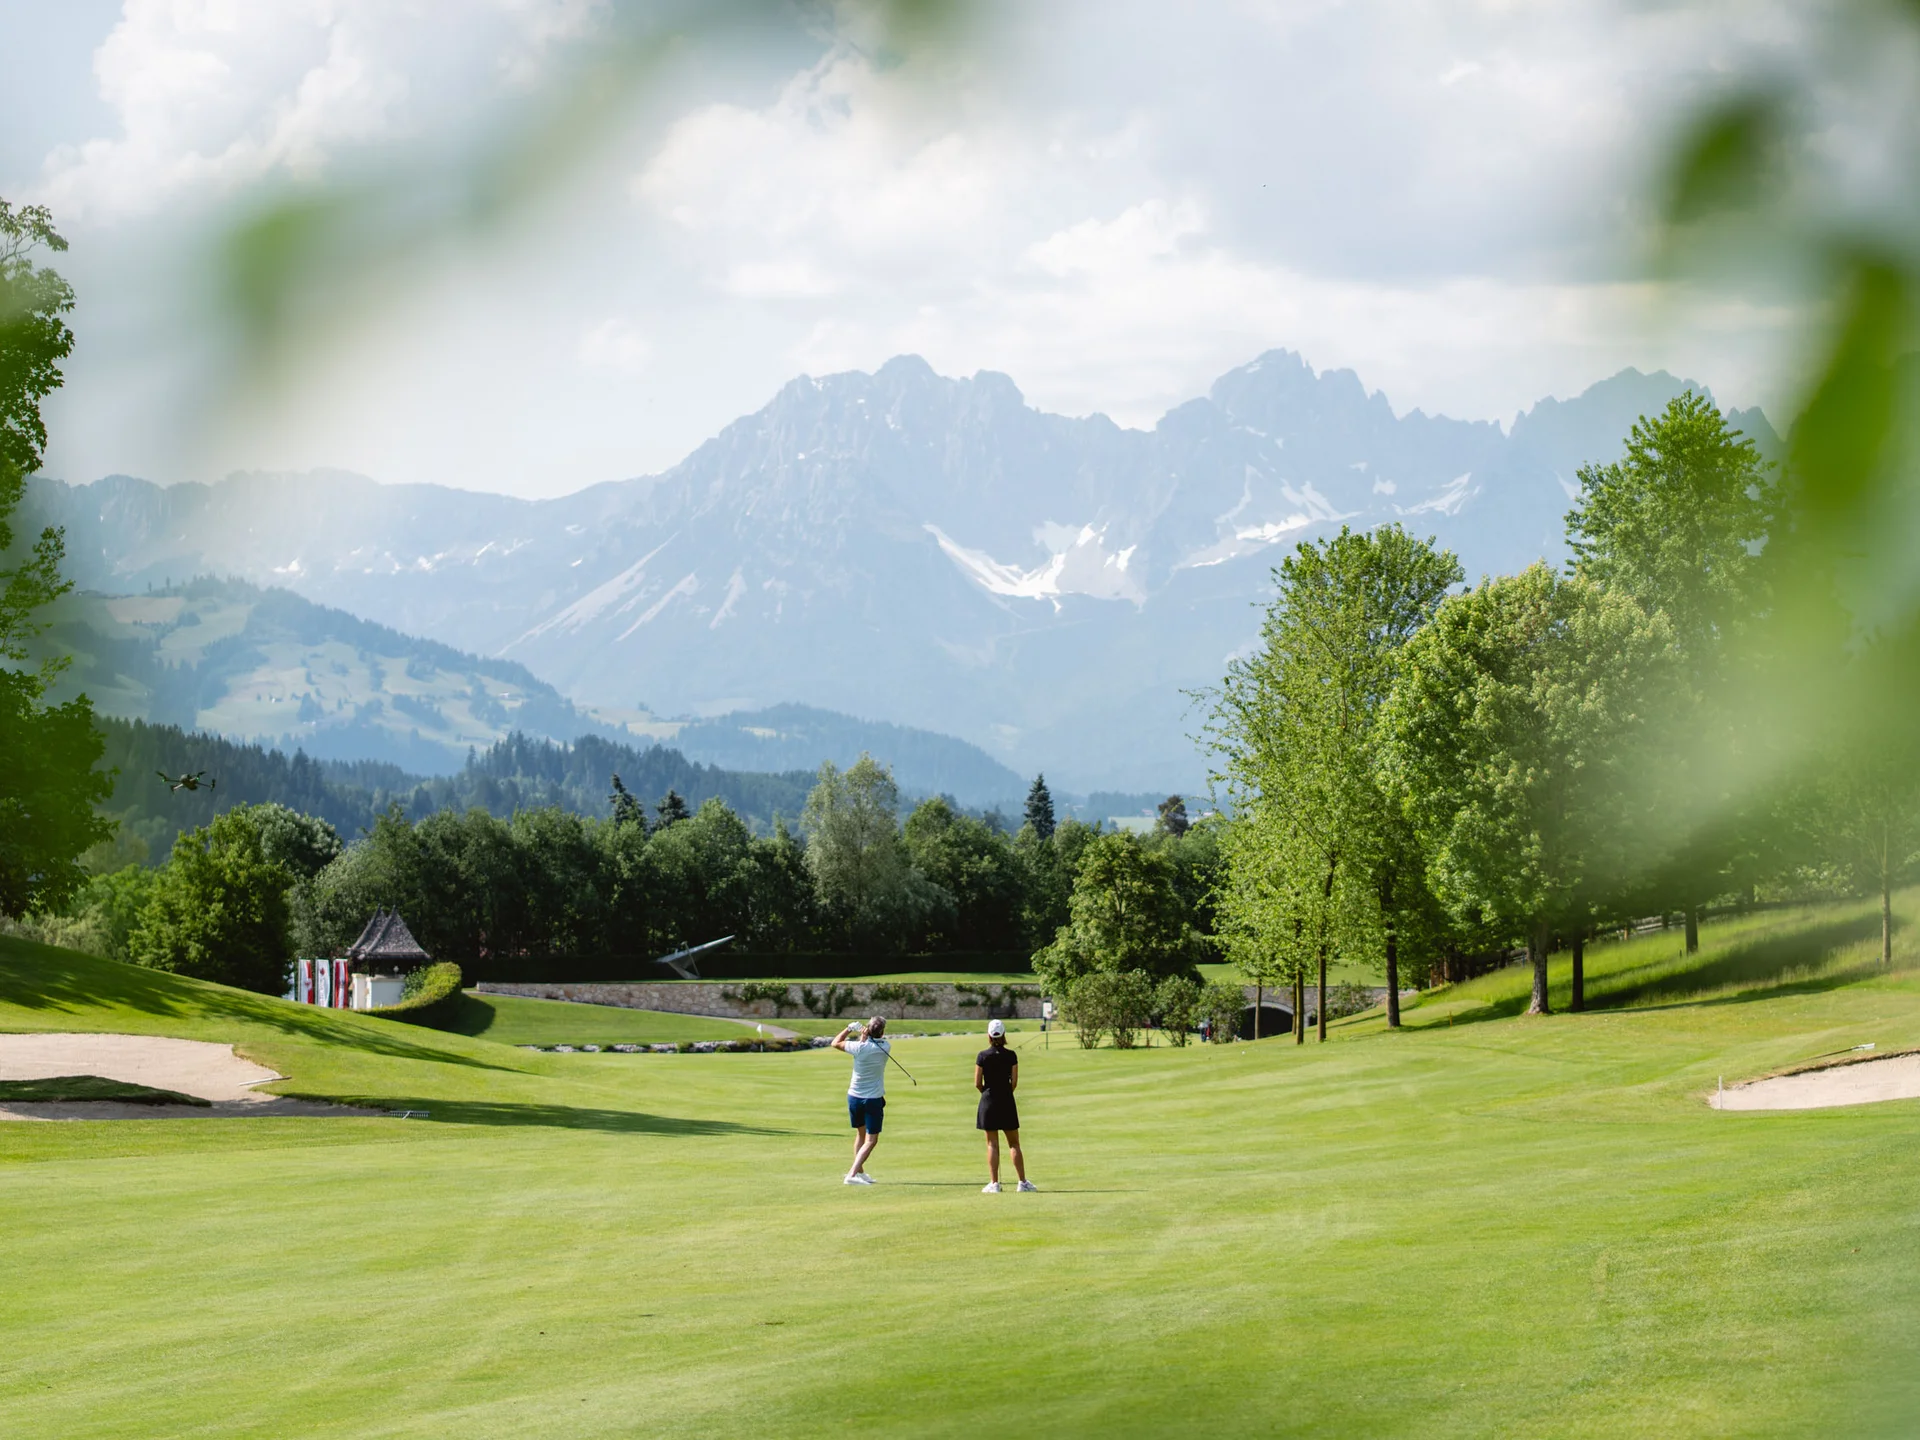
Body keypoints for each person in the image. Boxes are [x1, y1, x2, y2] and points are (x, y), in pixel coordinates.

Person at [975, 1018, 1036, 1193]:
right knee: (1014, 1144)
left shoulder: (982, 1056)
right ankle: (1022, 1182)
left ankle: (994, 1184)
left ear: (989, 1035)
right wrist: (1004, 1093)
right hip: (1006, 1100)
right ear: (1003, 1035)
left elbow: (978, 1083)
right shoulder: (1011, 1055)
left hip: (988, 1101)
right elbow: (1014, 1082)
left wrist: (987, 1094)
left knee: (991, 1144)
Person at [832, 1016, 890, 1185]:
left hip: (854, 1098)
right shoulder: (886, 1047)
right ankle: (851, 1174)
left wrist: (850, 1028)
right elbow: (870, 1044)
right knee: (871, 1140)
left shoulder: (858, 1047)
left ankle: (860, 1173)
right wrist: (865, 1036)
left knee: (861, 1135)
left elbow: (835, 1042)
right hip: (872, 1100)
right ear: (883, 1032)